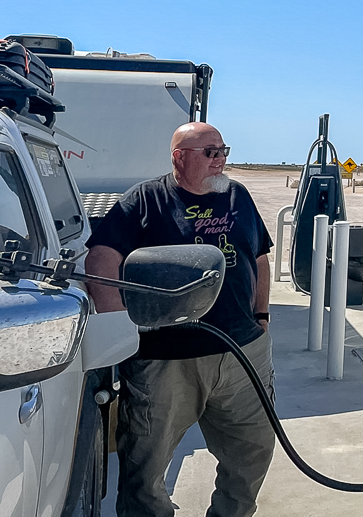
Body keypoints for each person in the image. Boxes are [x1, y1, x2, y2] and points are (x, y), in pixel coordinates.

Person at [86, 122, 276, 517]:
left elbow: (258, 257)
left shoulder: (237, 195)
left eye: (223, 150)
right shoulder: (144, 201)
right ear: (179, 157)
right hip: (166, 360)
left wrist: (261, 317)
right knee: (145, 464)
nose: (220, 159)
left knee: (252, 451)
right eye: (210, 152)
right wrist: (121, 332)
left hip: (241, 352)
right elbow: (101, 263)